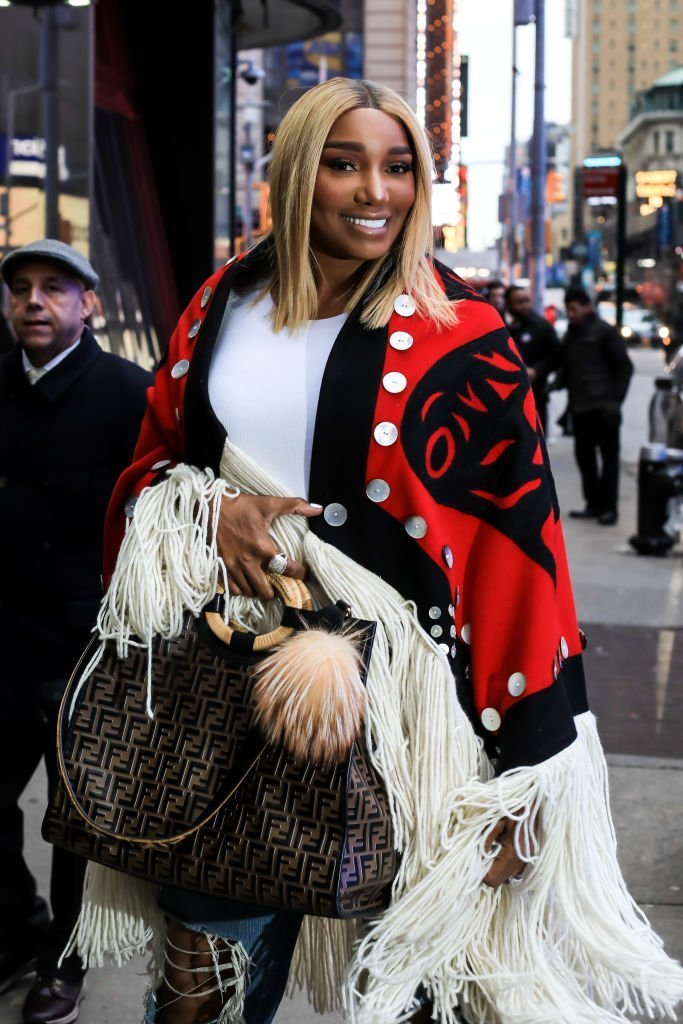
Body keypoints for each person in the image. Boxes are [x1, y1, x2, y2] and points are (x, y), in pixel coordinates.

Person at [67, 80, 682, 1024]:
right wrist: (211, 512)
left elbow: (517, 551)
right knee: (200, 987)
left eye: (397, 168)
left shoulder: (462, 333)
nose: (372, 191)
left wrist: (529, 767)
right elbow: (149, 468)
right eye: (343, 164)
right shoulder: (219, 304)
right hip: (231, 693)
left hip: (415, 721)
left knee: (422, 985)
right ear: (297, 173)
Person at [0, 239, 152, 1024]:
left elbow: (163, 518)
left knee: (73, 821)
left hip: (84, 645)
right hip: (1, 637)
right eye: (21, 288)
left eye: (53, 289)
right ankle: (20, 930)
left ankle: (65, 959)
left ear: (86, 303)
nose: (34, 301)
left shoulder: (128, 393)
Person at [561, 286, 634, 526]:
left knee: (609, 460)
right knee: (585, 458)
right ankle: (593, 504)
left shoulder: (604, 332)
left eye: (574, 309)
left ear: (586, 306)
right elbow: (566, 366)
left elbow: (624, 368)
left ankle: (609, 508)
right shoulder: (572, 333)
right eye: (568, 309)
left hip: (604, 407)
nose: (570, 314)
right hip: (580, 407)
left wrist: (615, 402)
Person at [505, 284, 561, 434]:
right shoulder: (500, 326)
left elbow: (555, 355)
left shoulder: (541, 326)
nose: (524, 306)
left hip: (535, 393)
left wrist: (537, 370)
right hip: (506, 395)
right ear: (508, 303)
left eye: (526, 301)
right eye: (519, 302)